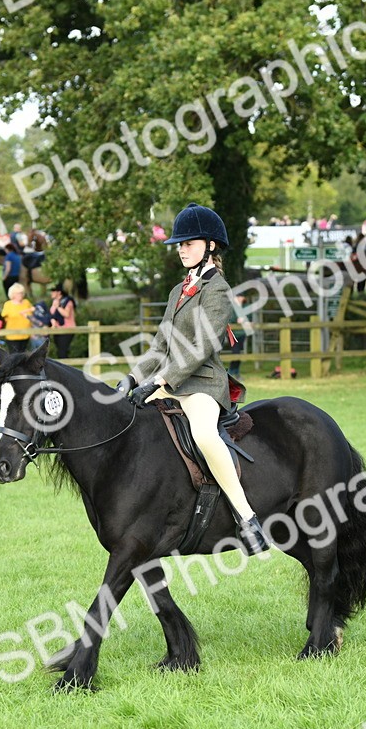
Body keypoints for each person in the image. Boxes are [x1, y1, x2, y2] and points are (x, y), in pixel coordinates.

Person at [117, 203, 269, 555]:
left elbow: (201, 347)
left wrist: (161, 383)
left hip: (202, 383)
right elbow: (159, 346)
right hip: (167, 382)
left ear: (211, 246)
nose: (182, 249)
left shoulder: (218, 290)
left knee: (202, 433)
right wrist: (131, 378)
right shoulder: (177, 291)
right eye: (179, 244)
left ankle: (246, 518)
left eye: (189, 243)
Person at [0, 283, 32, 354]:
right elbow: (4, 317)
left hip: (25, 335)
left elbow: (32, 315)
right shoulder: (8, 304)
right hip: (12, 336)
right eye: (18, 293)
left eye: (21, 293)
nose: (20, 295)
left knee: (23, 356)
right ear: (13, 294)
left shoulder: (26, 303)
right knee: (14, 357)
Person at [48, 284, 77, 358]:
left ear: (59, 292)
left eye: (53, 291)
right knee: (59, 351)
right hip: (57, 329)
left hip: (67, 329)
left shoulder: (68, 301)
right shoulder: (55, 301)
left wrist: (58, 306)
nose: (51, 293)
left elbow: (66, 314)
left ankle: (64, 368)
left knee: (62, 351)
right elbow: (52, 314)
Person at [227, 293, 247, 378]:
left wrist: (244, 319)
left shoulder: (245, 307)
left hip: (242, 333)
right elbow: (229, 319)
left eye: (241, 297)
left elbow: (249, 317)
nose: (239, 298)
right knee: (236, 353)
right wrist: (237, 320)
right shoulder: (231, 308)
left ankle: (235, 372)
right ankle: (231, 372)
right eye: (238, 297)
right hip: (233, 334)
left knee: (239, 353)